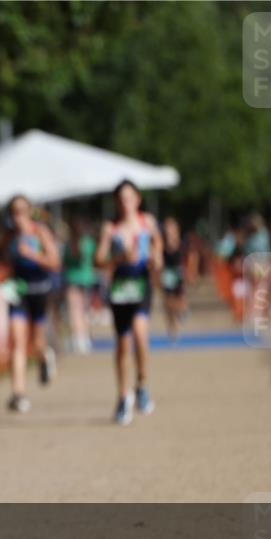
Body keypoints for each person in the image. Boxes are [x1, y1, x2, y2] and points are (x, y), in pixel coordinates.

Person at [94, 180, 163, 425]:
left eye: (129, 197)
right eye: (121, 198)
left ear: (137, 199)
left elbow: (157, 246)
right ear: (116, 202)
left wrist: (156, 258)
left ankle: (142, 383)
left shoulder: (148, 223)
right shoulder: (110, 228)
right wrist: (119, 257)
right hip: (120, 288)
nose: (126, 202)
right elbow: (98, 259)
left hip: (141, 284)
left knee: (140, 335)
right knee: (123, 344)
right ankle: (124, 396)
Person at [0, 195, 61, 413]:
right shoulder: (9, 235)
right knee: (18, 340)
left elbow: (54, 262)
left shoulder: (39, 232)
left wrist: (32, 254)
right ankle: (18, 393)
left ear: (29, 211)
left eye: (22, 210)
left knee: (37, 342)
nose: (18, 216)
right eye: (14, 211)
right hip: (18, 291)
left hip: (39, 290)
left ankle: (45, 357)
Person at [62, 216, 97, 354]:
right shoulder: (89, 243)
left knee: (74, 311)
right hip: (87, 279)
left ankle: (78, 338)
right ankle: (84, 337)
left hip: (72, 279)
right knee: (84, 310)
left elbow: (63, 262)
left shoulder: (68, 245)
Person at [160, 216, 188, 341]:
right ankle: (172, 329)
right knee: (167, 303)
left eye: (171, 227)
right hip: (167, 274)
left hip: (178, 273)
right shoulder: (161, 243)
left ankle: (183, 310)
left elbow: (188, 257)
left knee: (179, 299)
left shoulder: (181, 243)